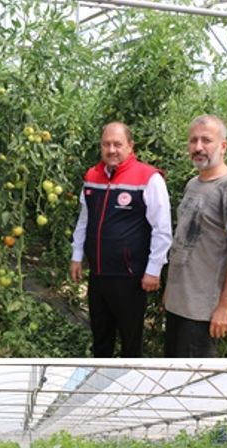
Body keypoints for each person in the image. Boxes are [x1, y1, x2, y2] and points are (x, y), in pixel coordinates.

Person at [70, 122, 172, 358]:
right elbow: (85, 219)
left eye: (117, 144)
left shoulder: (148, 178)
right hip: (98, 274)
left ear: (130, 146)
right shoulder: (92, 176)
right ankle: (100, 375)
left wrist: (154, 269)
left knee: (130, 341)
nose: (111, 150)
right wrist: (77, 255)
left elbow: (162, 228)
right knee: (100, 337)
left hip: (130, 276)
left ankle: (130, 377)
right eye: (106, 144)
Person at [163, 115, 227, 357]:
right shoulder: (192, 184)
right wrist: (170, 291)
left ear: (223, 146)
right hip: (176, 304)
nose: (198, 147)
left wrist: (225, 305)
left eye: (206, 140)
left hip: (202, 310)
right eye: (193, 140)